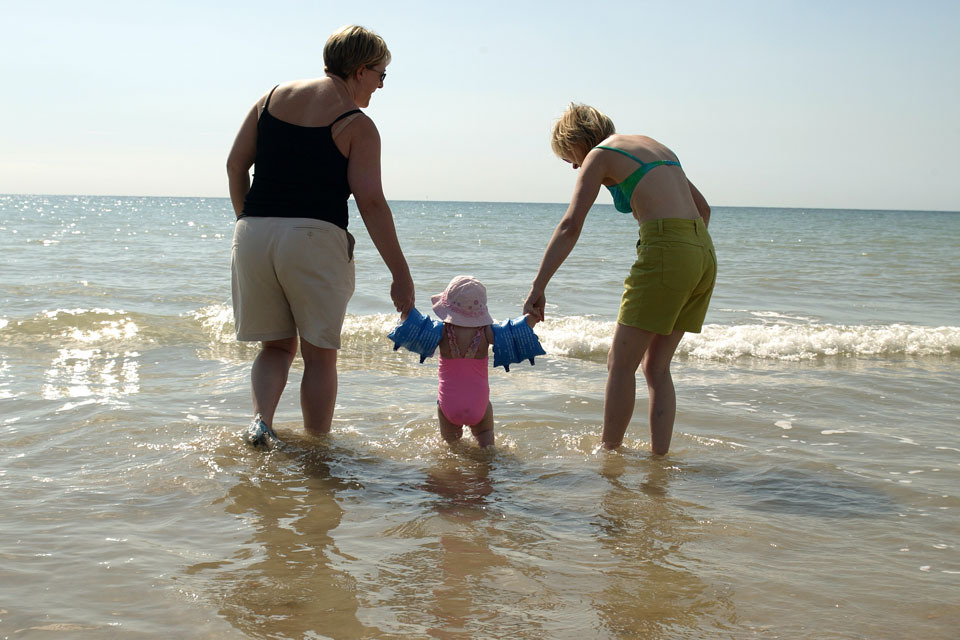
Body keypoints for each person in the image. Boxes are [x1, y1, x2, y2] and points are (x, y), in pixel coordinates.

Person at [226, 25, 415, 447]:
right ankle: (317, 446)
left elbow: (235, 165)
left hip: (253, 234)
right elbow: (371, 203)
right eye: (382, 74)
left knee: (274, 348)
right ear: (361, 70)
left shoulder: (269, 98)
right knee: (319, 356)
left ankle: (260, 424)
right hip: (314, 237)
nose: (382, 85)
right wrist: (400, 274)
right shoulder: (357, 124)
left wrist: (247, 221)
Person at [523, 103, 716, 455]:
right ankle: (660, 459)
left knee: (620, 363)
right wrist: (682, 250)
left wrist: (538, 286)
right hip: (702, 254)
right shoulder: (653, 145)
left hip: (667, 251)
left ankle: (608, 456)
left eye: (568, 156)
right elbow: (703, 210)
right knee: (656, 367)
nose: (573, 165)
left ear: (576, 141)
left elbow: (570, 226)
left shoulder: (600, 154)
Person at [388, 275, 544, 448]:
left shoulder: (442, 332)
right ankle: (487, 464)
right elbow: (515, 331)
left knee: (452, 447)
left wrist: (405, 306)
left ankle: (453, 468)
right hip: (479, 405)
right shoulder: (486, 332)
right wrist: (532, 316)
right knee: (486, 442)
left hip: (449, 405)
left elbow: (413, 325)